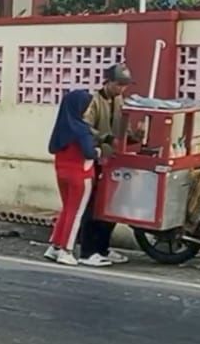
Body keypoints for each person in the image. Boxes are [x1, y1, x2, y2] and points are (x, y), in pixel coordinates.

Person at [79, 63, 134, 267]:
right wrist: (106, 138)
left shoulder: (119, 100)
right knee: (93, 207)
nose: (122, 89)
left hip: (113, 160)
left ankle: (103, 248)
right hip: (96, 158)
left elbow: (122, 126)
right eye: (119, 84)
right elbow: (85, 128)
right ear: (108, 82)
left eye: (124, 85)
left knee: (112, 207)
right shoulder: (93, 101)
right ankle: (87, 251)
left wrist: (134, 136)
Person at [43, 89, 101, 267]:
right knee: (76, 214)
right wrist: (99, 151)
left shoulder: (61, 127)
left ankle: (54, 245)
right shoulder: (82, 130)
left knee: (67, 209)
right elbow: (89, 153)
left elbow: (52, 148)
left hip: (62, 172)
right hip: (81, 175)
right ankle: (66, 250)